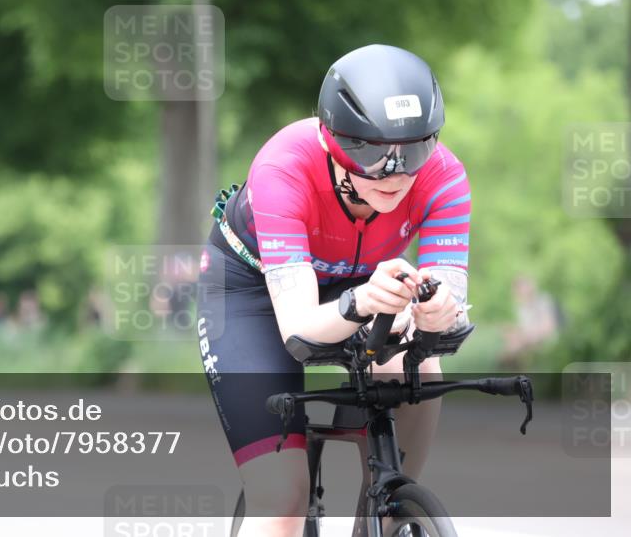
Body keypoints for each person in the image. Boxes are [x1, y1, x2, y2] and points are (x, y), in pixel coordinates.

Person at [198, 44, 471, 536]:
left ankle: (388, 507)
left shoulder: (444, 176)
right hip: (253, 291)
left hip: (362, 278)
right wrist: (362, 301)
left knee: (418, 363)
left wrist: (436, 314)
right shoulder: (284, 166)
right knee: (281, 498)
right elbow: (300, 332)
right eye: (370, 150)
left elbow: (448, 311)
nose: (396, 172)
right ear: (330, 139)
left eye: (414, 149)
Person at [499, 274, 562, 368]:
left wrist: (526, 335)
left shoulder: (543, 301)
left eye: (522, 288)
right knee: (509, 338)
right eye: (518, 290)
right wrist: (514, 330)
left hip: (543, 338)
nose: (520, 293)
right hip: (529, 336)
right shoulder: (521, 307)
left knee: (513, 346)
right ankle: (512, 366)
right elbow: (525, 326)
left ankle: (513, 366)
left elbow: (548, 327)